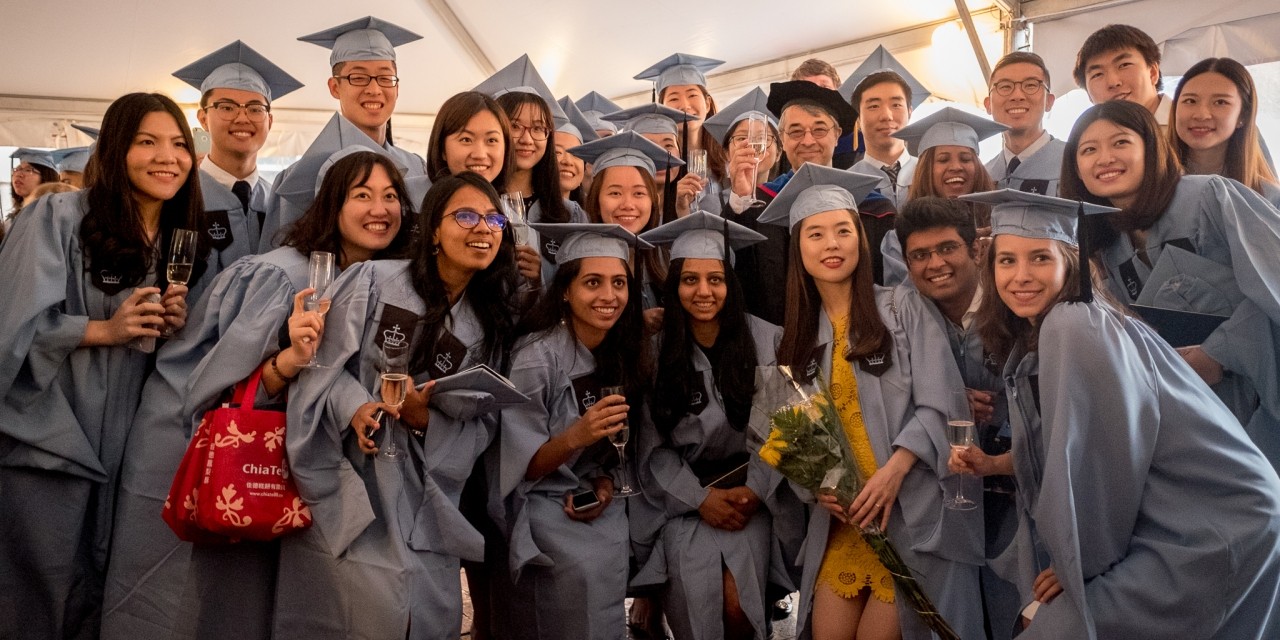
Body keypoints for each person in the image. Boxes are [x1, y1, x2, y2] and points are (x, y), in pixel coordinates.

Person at [101, 148, 412, 640]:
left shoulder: (389, 282)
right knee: (222, 603)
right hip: (237, 458)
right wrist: (288, 362)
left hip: (304, 470)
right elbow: (214, 390)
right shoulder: (280, 275)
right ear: (331, 204)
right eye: (362, 195)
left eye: (391, 196)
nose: (381, 209)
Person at [963, 187, 1280, 639]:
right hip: (1201, 517)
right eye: (1006, 260)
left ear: (1069, 263)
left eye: (1039, 258)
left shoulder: (1072, 323)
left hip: (1211, 525)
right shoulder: (1073, 322)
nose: (1020, 275)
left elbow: (1104, 459)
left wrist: (1083, 561)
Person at [280, 171, 523, 639]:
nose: (483, 229)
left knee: (426, 613)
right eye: (466, 216)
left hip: (426, 492)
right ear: (433, 228)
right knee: (354, 613)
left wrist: (422, 416)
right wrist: (354, 406)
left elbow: (482, 428)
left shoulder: (487, 324)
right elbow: (318, 362)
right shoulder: (373, 280)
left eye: (494, 219)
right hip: (350, 472)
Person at [0, 92, 208, 639]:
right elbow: (9, 327)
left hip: (135, 439)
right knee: (40, 587)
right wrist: (103, 329)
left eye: (179, 144)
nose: (168, 157)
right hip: (54, 431)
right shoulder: (57, 214)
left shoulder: (174, 238)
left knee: (115, 585)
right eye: (147, 142)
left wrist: (168, 322)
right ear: (116, 149)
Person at [758, 163, 984, 640]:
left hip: (910, 512)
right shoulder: (794, 342)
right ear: (798, 249)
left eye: (843, 230)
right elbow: (793, 442)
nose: (832, 244)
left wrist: (894, 470)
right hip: (846, 525)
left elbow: (943, 402)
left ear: (861, 239)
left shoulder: (901, 308)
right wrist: (816, 488)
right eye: (815, 234)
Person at [1060, 99, 1280, 469]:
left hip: (1258, 399)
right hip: (1193, 416)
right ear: (1076, 169)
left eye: (1121, 143)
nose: (1105, 158)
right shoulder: (1108, 247)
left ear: (1151, 147)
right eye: (1088, 150)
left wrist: (1220, 354)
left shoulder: (1210, 197)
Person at [498, 223, 653, 640]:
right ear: (565, 290)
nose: (609, 296)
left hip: (585, 493)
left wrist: (603, 484)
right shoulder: (537, 358)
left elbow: (607, 459)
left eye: (619, 283)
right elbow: (519, 468)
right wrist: (574, 437)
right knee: (577, 574)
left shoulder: (619, 349)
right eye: (593, 283)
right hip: (537, 502)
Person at [633, 212, 782, 640]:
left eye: (715, 279)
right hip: (681, 500)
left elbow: (783, 431)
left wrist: (755, 489)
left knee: (739, 609)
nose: (703, 291)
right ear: (674, 285)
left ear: (730, 285)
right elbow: (650, 448)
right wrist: (699, 499)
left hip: (749, 496)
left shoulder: (767, 341)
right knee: (697, 610)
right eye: (690, 280)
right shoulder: (655, 353)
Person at [894, 196, 1020, 636]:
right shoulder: (904, 315)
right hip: (947, 489)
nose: (935, 264)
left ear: (975, 250)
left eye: (947, 248)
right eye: (920, 255)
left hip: (1019, 485)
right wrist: (948, 392)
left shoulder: (1014, 303)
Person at [258, 15, 427, 252]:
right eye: (358, 77)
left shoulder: (418, 168)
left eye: (385, 78)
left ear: (397, 87)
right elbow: (280, 262)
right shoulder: (299, 178)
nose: (374, 89)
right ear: (335, 87)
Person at [172, 40, 304, 270]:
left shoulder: (280, 204)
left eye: (255, 109)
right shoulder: (177, 195)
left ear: (269, 121)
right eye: (226, 107)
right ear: (203, 118)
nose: (242, 118)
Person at [474, 54, 583, 288]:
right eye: (514, 126)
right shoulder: (473, 201)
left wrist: (538, 280)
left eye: (538, 129)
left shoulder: (569, 214)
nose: (527, 139)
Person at [571, 131, 684, 320]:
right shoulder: (578, 261)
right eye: (615, 193)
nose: (627, 205)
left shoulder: (668, 257)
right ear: (596, 199)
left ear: (654, 201)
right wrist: (636, 326)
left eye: (639, 193)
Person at [703, 88, 786, 325]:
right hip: (736, 319)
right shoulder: (713, 203)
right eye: (741, 138)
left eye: (763, 137)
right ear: (727, 152)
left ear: (779, 152)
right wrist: (740, 196)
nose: (752, 143)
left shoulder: (789, 199)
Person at [1169, 57, 1280, 205]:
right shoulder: (1147, 185)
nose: (1201, 115)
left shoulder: (1269, 199)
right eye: (1190, 101)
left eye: (1220, 102)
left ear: (1243, 116)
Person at [842, 45, 932, 210]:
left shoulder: (931, 173)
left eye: (896, 104)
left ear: (910, 112)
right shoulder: (845, 185)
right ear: (858, 120)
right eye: (874, 106)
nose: (886, 115)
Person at [636, 53, 728, 208]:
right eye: (673, 98)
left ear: (707, 103)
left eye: (692, 95)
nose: (685, 105)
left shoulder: (726, 154)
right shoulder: (654, 162)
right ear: (662, 108)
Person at [896, 107, 1005, 226]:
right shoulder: (906, 231)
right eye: (943, 160)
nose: (956, 166)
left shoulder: (1000, 225)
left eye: (966, 159)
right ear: (926, 170)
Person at [984, 51, 1066, 197]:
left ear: (1049, 101)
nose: (1017, 96)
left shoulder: (1075, 164)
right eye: (1005, 86)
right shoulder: (984, 176)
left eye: (1030, 85)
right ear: (988, 104)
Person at [603, 102, 701, 223]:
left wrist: (683, 211)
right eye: (649, 145)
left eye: (669, 145)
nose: (661, 153)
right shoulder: (621, 211)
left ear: (679, 152)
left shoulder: (694, 205)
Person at [1073, 24, 1170, 128]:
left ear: (1153, 73)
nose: (1113, 82)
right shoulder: (1090, 140)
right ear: (1088, 94)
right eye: (1097, 74)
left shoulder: (1185, 124)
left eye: (1124, 65)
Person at [426, 90, 512, 188]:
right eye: (466, 139)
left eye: (491, 140)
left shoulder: (507, 202)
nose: (480, 155)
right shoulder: (411, 199)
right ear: (442, 148)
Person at [554, 96, 597, 204]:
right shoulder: (519, 213)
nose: (568, 161)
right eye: (557, 152)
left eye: (576, 154)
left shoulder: (589, 217)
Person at [7, 147, 59, 218]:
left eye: (28, 170)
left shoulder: (51, 216)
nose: (19, 174)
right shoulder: (12, 219)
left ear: (46, 178)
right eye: (17, 169)